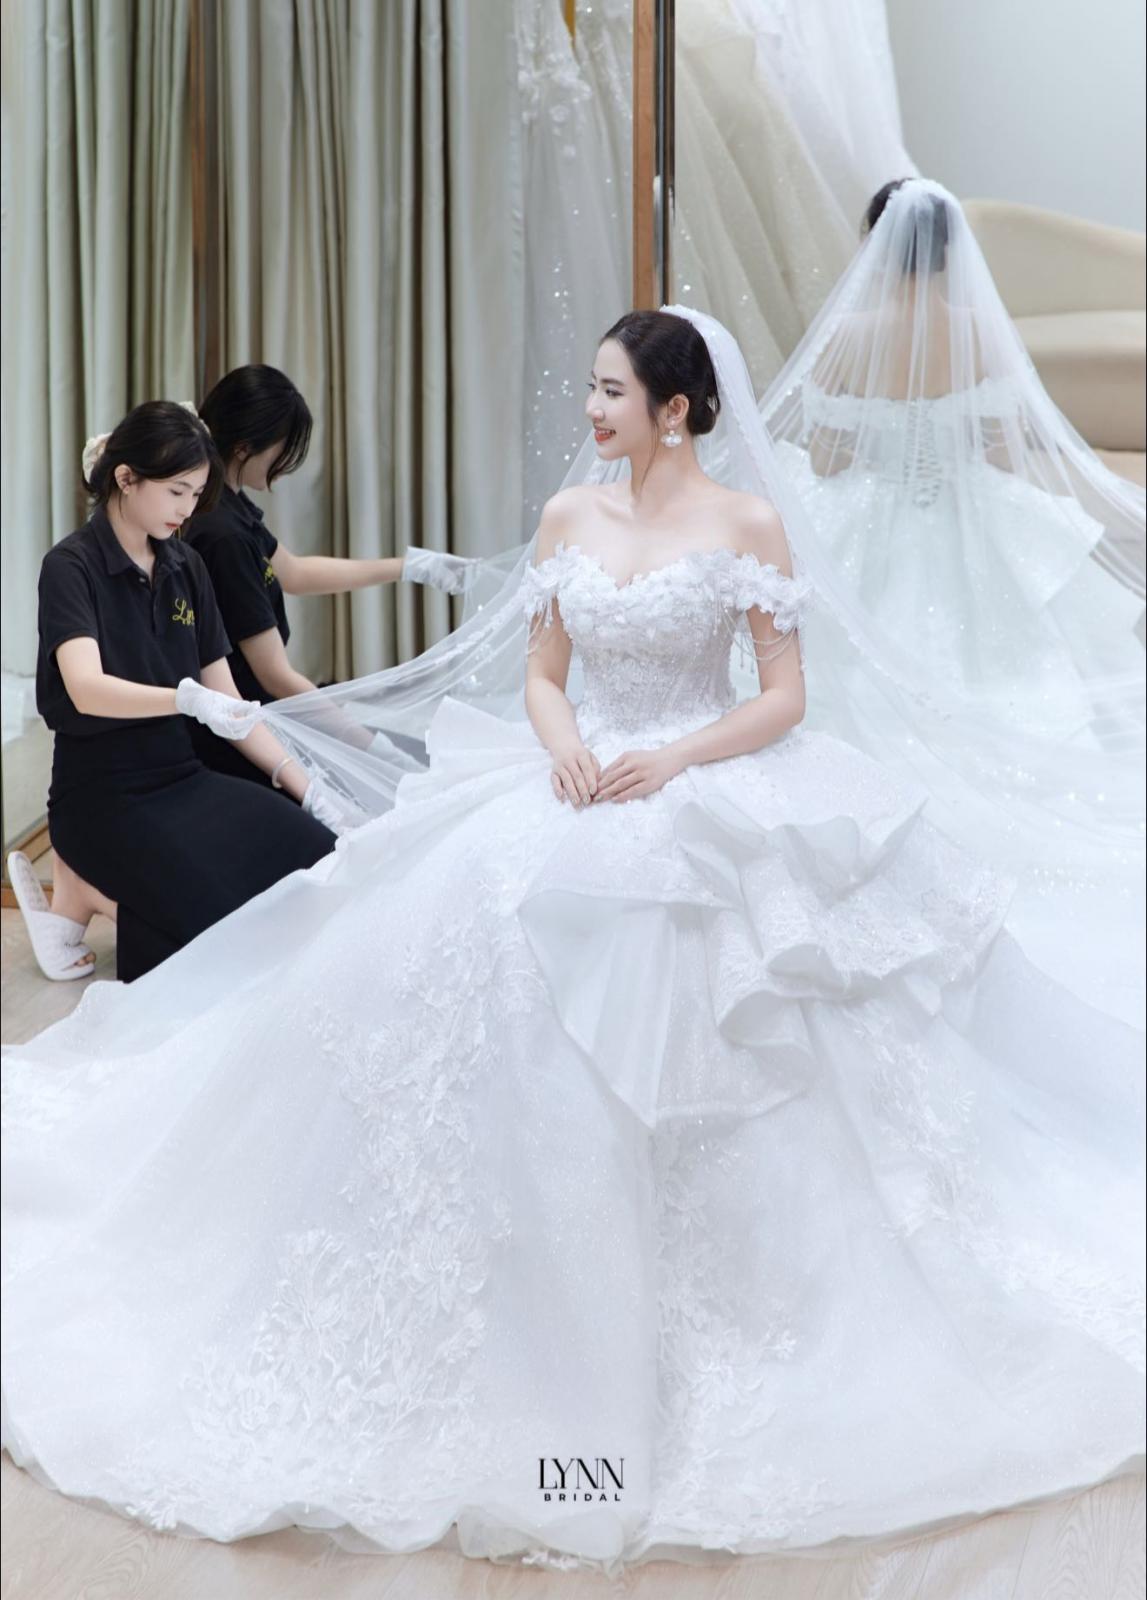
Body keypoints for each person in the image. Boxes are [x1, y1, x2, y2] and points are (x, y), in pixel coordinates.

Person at [2, 311, 1142, 1576]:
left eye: (610, 392)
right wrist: (566, 745)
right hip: (576, 779)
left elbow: (783, 696)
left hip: (700, 777)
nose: (590, 409)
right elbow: (544, 674)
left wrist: (675, 756)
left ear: (676, 409)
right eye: (592, 388)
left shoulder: (747, 525)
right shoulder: (567, 517)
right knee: (472, 987)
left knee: (744, 1022)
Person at [757, 176, 1146, 1021]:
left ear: (874, 245)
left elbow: (825, 458)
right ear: (949, 252)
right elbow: (1003, 449)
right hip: (968, 528)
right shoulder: (977, 329)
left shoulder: (847, 334)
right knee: (1024, 656)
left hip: (872, 528)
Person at [14, 400, 341, 984]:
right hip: (101, 798)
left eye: (196, 494)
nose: (188, 509)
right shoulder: (71, 566)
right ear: (126, 478)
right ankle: (84, 887)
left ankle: (90, 894)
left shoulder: (185, 565)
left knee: (320, 855)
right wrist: (182, 698)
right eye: (176, 492)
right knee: (220, 939)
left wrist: (306, 786)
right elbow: (86, 690)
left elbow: (230, 707)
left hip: (182, 778)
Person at [185, 364, 474, 785]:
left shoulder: (227, 505)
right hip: (244, 729)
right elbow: (276, 677)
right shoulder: (222, 534)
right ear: (246, 447)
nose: (284, 463)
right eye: (281, 449)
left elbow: (295, 572)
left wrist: (409, 567)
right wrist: (369, 748)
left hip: (261, 710)